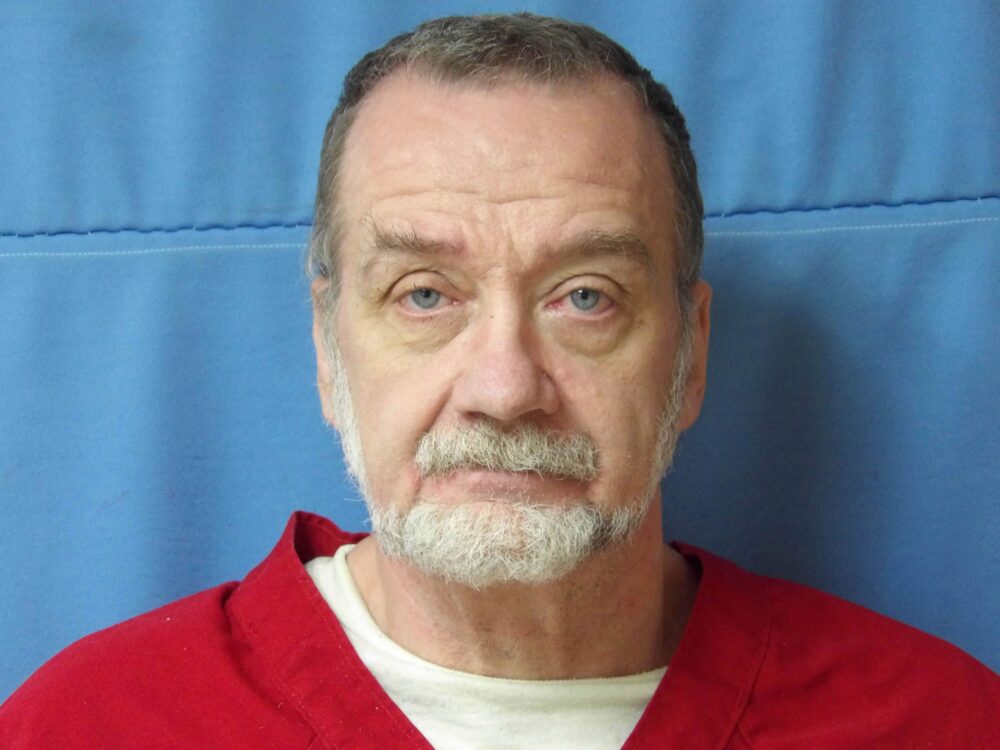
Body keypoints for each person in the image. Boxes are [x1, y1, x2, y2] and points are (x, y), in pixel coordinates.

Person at [1, 12, 997, 749]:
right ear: (326, 351)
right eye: (424, 295)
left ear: (690, 356)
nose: (505, 387)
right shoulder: (87, 726)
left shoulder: (941, 723)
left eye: (585, 297)